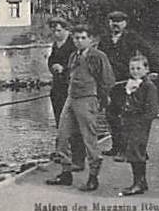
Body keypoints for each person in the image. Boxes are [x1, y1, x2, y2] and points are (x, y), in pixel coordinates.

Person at [46, 24, 115, 192]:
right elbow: (70, 76)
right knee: (62, 136)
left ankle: (93, 177)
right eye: (76, 38)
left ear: (91, 40)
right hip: (71, 99)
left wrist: (100, 98)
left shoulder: (98, 56)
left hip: (87, 100)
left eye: (83, 38)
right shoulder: (73, 56)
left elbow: (108, 80)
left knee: (89, 139)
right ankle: (66, 172)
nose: (79, 41)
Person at [98, 11, 158, 160]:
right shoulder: (105, 40)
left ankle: (128, 150)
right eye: (112, 21)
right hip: (110, 82)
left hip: (128, 81)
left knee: (126, 115)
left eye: (119, 21)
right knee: (111, 115)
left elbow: (149, 52)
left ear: (125, 23)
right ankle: (117, 146)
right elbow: (98, 59)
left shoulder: (132, 37)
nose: (115, 24)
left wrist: (153, 71)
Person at [46, 16, 85, 171]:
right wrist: (53, 66)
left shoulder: (72, 44)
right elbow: (50, 60)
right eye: (54, 30)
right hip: (57, 88)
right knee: (60, 123)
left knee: (74, 124)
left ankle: (77, 158)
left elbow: (78, 66)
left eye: (59, 30)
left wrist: (64, 69)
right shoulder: (56, 45)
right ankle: (62, 153)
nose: (56, 33)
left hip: (70, 89)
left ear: (66, 30)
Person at [118, 55, 159, 197]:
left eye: (138, 68)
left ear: (146, 69)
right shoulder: (132, 83)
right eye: (132, 68)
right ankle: (142, 181)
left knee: (136, 150)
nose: (135, 71)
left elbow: (153, 110)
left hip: (140, 123)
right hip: (129, 122)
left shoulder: (148, 86)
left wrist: (141, 121)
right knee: (134, 149)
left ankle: (138, 184)